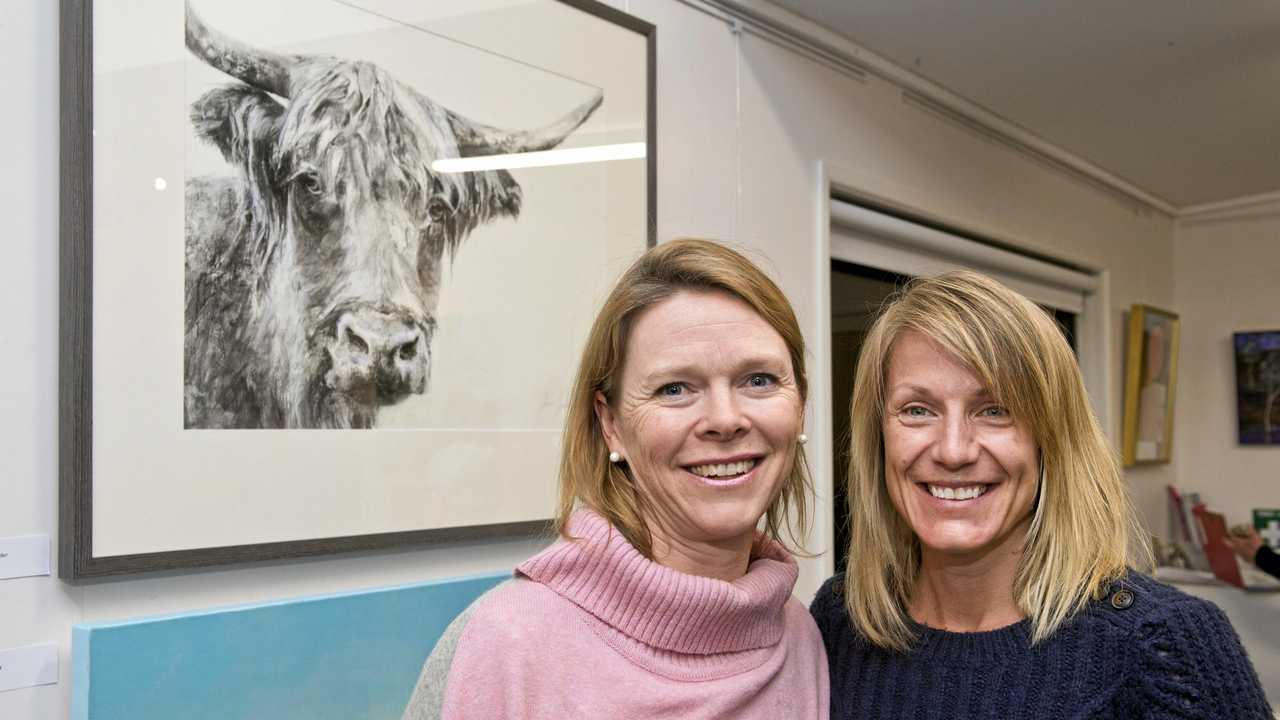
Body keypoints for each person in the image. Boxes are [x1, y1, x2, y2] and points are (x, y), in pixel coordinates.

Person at [810, 270, 1271, 719]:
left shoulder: (1165, 644)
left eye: (995, 410)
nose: (953, 450)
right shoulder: (840, 620)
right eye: (917, 409)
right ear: (879, 437)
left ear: (1051, 439)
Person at [403, 239, 828, 719]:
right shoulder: (506, 646)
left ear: (800, 406)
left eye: (759, 380)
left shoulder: (803, 639)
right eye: (674, 388)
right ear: (611, 424)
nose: (725, 419)